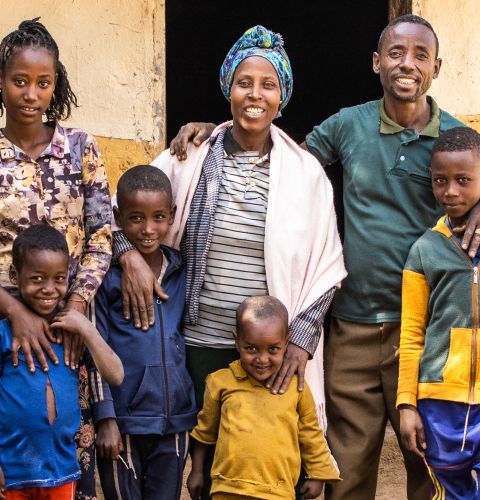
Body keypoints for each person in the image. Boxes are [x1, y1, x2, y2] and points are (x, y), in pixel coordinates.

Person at [168, 15, 480, 499]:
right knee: (347, 466)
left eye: (421, 55)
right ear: (376, 62)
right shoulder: (348, 124)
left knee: (429, 458)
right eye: (396, 52)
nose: (407, 64)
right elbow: (287, 156)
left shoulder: (459, 143)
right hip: (353, 325)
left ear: (437, 67)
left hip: (428, 329)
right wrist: (219, 129)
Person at [114, 25, 345, 498]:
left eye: (268, 84)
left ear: (283, 96)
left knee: (269, 463)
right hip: (199, 343)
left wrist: (299, 342)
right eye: (244, 82)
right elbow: (122, 209)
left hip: (271, 351)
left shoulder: (306, 173)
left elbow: (328, 266)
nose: (255, 95)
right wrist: (127, 257)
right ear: (228, 88)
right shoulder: (190, 154)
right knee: (209, 460)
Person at [0, 19, 112, 498]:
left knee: (68, 447)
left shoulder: (81, 148)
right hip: (5, 326)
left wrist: (78, 305)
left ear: (56, 84)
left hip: (67, 327)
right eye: (19, 81)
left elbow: (103, 235)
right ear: (1, 82)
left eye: (43, 83)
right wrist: (13, 311)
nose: (31, 94)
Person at [91, 165, 197, 500]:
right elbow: (94, 351)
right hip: (124, 422)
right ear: (119, 217)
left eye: (159, 217)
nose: (148, 229)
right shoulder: (105, 278)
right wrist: (105, 417)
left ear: (173, 216)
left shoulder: (182, 269)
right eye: (136, 218)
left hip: (175, 421)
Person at [0, 225, 123, 500]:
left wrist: (87, 329)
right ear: (14, 276)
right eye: (37, 278)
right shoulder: (5, 333)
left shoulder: (72, 333)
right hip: (10, 471)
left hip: (61, 471)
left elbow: (116, 375)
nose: (49, 289)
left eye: (58, 278)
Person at [187, 296, 340, 500]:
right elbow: (205, 433)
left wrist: (318, 475)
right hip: (228, 491)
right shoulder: (220, 383)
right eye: (251, 349)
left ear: (287, 343)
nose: (262, 359)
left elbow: (311, 435)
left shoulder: (296, 388)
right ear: (237, 341)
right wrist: (196, 472)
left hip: (278, 491)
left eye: (273, 349)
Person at [397, 127, 480, 498]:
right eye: (440, 181)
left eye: (464, 181)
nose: (450, 191)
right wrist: (406, 405)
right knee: (449, 490)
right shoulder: (424, 251)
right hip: (439, 402)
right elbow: (412, 334)